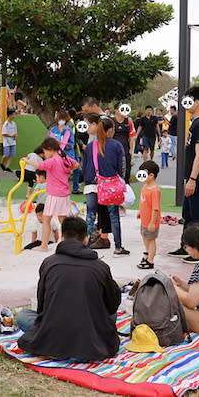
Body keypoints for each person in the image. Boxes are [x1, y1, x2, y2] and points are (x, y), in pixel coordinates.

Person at [16, 216, 121, 361]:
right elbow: (112, 305)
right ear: (86, 239)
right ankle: (78, 346)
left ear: (62, 237)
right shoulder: (100, 267)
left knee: (23, 316)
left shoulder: (49, 263)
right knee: (112, 316)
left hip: (54, 333)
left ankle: (54, 344)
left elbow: (42, 305)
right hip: (90, 337)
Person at [169, 87, 199, 263]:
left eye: (188, 100)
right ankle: (186, 245)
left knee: (196, 215)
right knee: (187, 213)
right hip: (191, 177)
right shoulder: (195, 122)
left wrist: (193, 179)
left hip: (197, 178)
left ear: (197, 102)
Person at [81, 118, 128, 256]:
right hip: (109, 186)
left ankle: (86, 246)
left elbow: (85, 167)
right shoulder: (116, 145)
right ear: (109, 130)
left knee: (90, 216)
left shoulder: (90, 146)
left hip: (91, 185)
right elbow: (122, 168)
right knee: (113, 216)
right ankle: (118, 247)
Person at [31, 137, 79, 252]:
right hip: (64, 194)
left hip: (54, 194)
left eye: (45, 151)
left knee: (46, 220)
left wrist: (27, 161)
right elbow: (76, 164)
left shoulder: (53, 160)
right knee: (63, 221)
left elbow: (39, 165)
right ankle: (67, 244)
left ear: (50, 149)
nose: (45, 154)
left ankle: (44, 246)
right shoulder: (64, 159)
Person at [47, 110, 81, 193]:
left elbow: (71, 144)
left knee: (70, 171)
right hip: (55, 155)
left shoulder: (68, 130)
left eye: (62, 118)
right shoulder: (53, 130)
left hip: (67, 155)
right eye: (59, 118)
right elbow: (47, 141)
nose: (61, 120)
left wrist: (61, 143)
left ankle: (73, 188)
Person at [137, 160, 161, 269]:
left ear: (151, 175)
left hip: (151, 221)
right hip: (144, 219)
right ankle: (147, 253)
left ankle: (150, 260)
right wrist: (140, 212)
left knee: (151, 240)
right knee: (144, 235)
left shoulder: (155, 191)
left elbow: (155, 209)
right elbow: (143, 201)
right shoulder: (145, 186)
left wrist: (152, 223)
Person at [112, 103, 135, 183]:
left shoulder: (128, 121)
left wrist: (131, 150)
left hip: (126, 150)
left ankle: (126, 186)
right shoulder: (111, 121)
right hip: (113, 150)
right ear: (116, 110)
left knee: (127, 170)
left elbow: (132, 137)